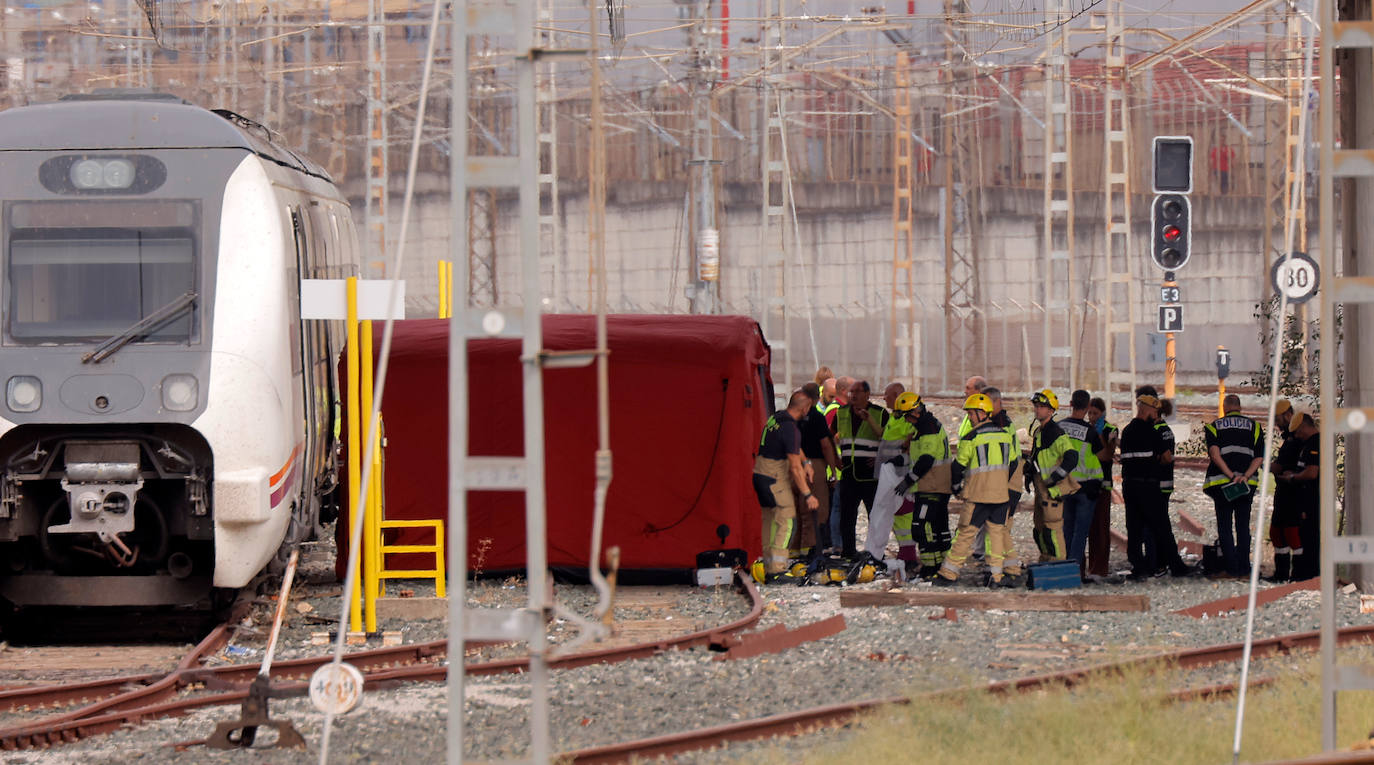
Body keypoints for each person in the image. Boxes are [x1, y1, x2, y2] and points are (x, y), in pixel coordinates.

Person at [933, 393, 1017, 587]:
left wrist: (956, 487)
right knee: (996, 534)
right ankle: (995, 577)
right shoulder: (1005, 435)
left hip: (978, 496)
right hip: (1000, 495)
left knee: (965, 534)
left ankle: (948, 573)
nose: (969, 418)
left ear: (982, 413)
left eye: (971, 414)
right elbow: (1012, 463)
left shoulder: (971, 437)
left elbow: (958, 466)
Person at [1118, 394, 1192, 579]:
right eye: (1154, 410)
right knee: (1161, 527)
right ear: (1146, 409)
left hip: (1130, 486)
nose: (1155, 414)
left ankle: (1139, 567)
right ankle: (1175, 565)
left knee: (1134, 528)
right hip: (1149, 487)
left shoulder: (1126, 431)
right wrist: (1157, 459)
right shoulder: (1152, 432)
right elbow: (1167, 457)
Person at [754, 391, 820, 575]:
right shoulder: (791, 428)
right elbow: (794, 468)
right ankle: (777, 568)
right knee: (787, 520)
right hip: (775, 476)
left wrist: (806, 461)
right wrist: (808, 494)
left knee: (769, 520)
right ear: (805, 408)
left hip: (759, 474)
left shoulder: (776, 419)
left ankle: (767, 565)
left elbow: (793, 447)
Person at [891, 392, 952, 578]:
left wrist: (908, 481)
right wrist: (902, 460)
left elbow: (926, 460)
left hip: (931, 486)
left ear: (915, 412)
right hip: (936, 485)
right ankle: (941, 566)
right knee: (938, 528)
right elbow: (919, 456)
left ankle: (930, 568)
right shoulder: (925, 426)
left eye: (907, 416)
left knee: (921, 526)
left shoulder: (928, 429)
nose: (907, 421)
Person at [1202, 394, 1264, 579]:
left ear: (1224, 408)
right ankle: (1245, 569)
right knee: (1243, 526)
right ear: (1240, 407)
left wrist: (1231, 476)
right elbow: (1259, 457)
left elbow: (1215, 454)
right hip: (1246, 485)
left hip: (1223, 484)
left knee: (1225, 527)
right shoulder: (1255, 427)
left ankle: (1231, 569)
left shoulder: (1214, 426)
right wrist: (1244, 476)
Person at [830, 380, 888, 559]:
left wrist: (879, 457)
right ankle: (848, 551)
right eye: (850, 391)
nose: (852, 395)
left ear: (867, 394)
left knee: (874, 516)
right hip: (849, 472)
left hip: (870, 476)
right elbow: (829, 435)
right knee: (847, 516)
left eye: (857, 392)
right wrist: (835, 457)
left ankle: (875, 552)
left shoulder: (879, 413)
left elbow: (889, 440)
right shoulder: (841, 413)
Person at [1059, 390, 1106, 580]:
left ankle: (1064, 570)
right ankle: (1074, 571)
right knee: (1080, 533)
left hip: (1064, 485)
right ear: (1087, 407)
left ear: (1070, 403)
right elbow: (1103, 456)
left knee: (1066, 530)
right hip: (1086, 488)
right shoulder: (1090, 431)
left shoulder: (1059, 426)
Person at [1027, 389, 1078, 562]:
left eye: (1042, 407)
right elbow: (1038, 458)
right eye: (1036, 406)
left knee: (1052, 528)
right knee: (1039, 528)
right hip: (1041, 487)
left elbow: (1072, 457)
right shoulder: (1040, 432)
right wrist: (1029, 476)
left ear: (1051, 410)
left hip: (1051, 489)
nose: (1037, 410)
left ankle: (1059, 563)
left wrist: (1055, 478)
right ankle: (1046, 558)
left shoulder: (1056, 432)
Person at [792, 383, 840, 560]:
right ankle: (810, 550)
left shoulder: (791, 416)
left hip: (792, 466)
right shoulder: (816, 417)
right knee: (815, 509)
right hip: (814, 465)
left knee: (796, 508)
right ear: (815, 398)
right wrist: (833, 470)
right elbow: (826, 445)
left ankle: (794, 550)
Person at [865, 383, 911, 560]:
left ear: (897, 396)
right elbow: (884, 435)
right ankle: (900, 552)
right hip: (888, 475)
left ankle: (907, 553)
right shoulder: (895, 417)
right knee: (891, 513)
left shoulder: (907, 420)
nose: (884, 398)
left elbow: (910, 444)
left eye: (887, 395)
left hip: (899, 475)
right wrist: (869, 419)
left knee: (902, 514)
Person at [985, 387, 1024, 581]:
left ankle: (1003, 569)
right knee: (1000, 527)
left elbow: (1011, 460)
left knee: (999, 527)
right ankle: (1005, 568)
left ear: (995, 402)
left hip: (1007, 483)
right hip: (1008, 482)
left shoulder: (1000, 424)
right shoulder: (1000, 422)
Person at [1281, 412, 1321, 580]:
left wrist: (1292, 477)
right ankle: (1302, 575)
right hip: (1304, 498)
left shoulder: (1316, 443)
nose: (1297, 436)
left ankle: (1308, 576)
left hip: (1312, 500)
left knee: (1309, 538)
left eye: (1298, 431)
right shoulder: (1307, 443)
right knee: (1303, 536)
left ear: (1305, 426)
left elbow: (1312, 473)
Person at [1086, 397, 1120, 580]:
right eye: (1090, 413)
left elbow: (1108, 455)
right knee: (1090, 528)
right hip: (1087, 482)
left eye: (1095, 413)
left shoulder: (1109, 430)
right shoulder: (1086, 429)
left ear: (1102, 413)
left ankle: (1101, 567)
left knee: (1101, 526)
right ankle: (1092, 566)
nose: (1091, 417)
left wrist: (1099, 434)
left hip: (1103, 484)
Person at [1266, 400, 1301, 582]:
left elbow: (1289, 465)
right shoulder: (1289, 437)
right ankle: (1281, 573)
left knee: (1291, 532)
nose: (1277, 425)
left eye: (1278, 420)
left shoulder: (1297, 438)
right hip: (1283, 490)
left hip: (1292, 491)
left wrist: (1274, 467)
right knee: (1276, 531)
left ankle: (1297, 574)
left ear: (1288, 415)